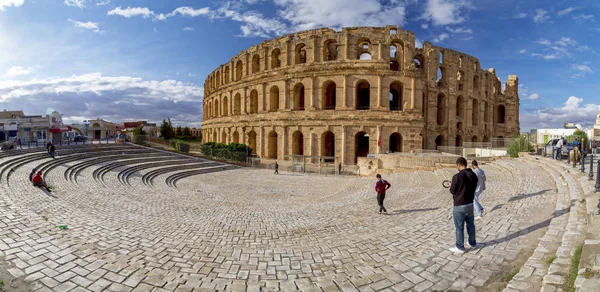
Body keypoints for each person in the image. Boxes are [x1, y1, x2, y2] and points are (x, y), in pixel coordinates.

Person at [448, 157, 479, 253]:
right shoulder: (474, 175)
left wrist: (452, 184)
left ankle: (460, 247)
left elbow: (452, 191)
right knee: (471, 225)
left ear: (458, 165)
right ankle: (472, 243)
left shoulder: (457, 177)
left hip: (459, 205)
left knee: (459, 227)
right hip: (470, 204)